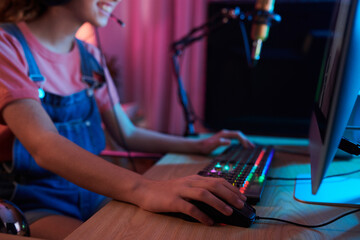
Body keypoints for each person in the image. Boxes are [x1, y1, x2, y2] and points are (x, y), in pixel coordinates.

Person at [0, 0, 254, 239]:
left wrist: (200, 145)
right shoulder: (6, 45)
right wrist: (144, 188)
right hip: (33, 205)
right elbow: (44, 145)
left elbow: (126, 133)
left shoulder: (90, 57)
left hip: (93, 193)